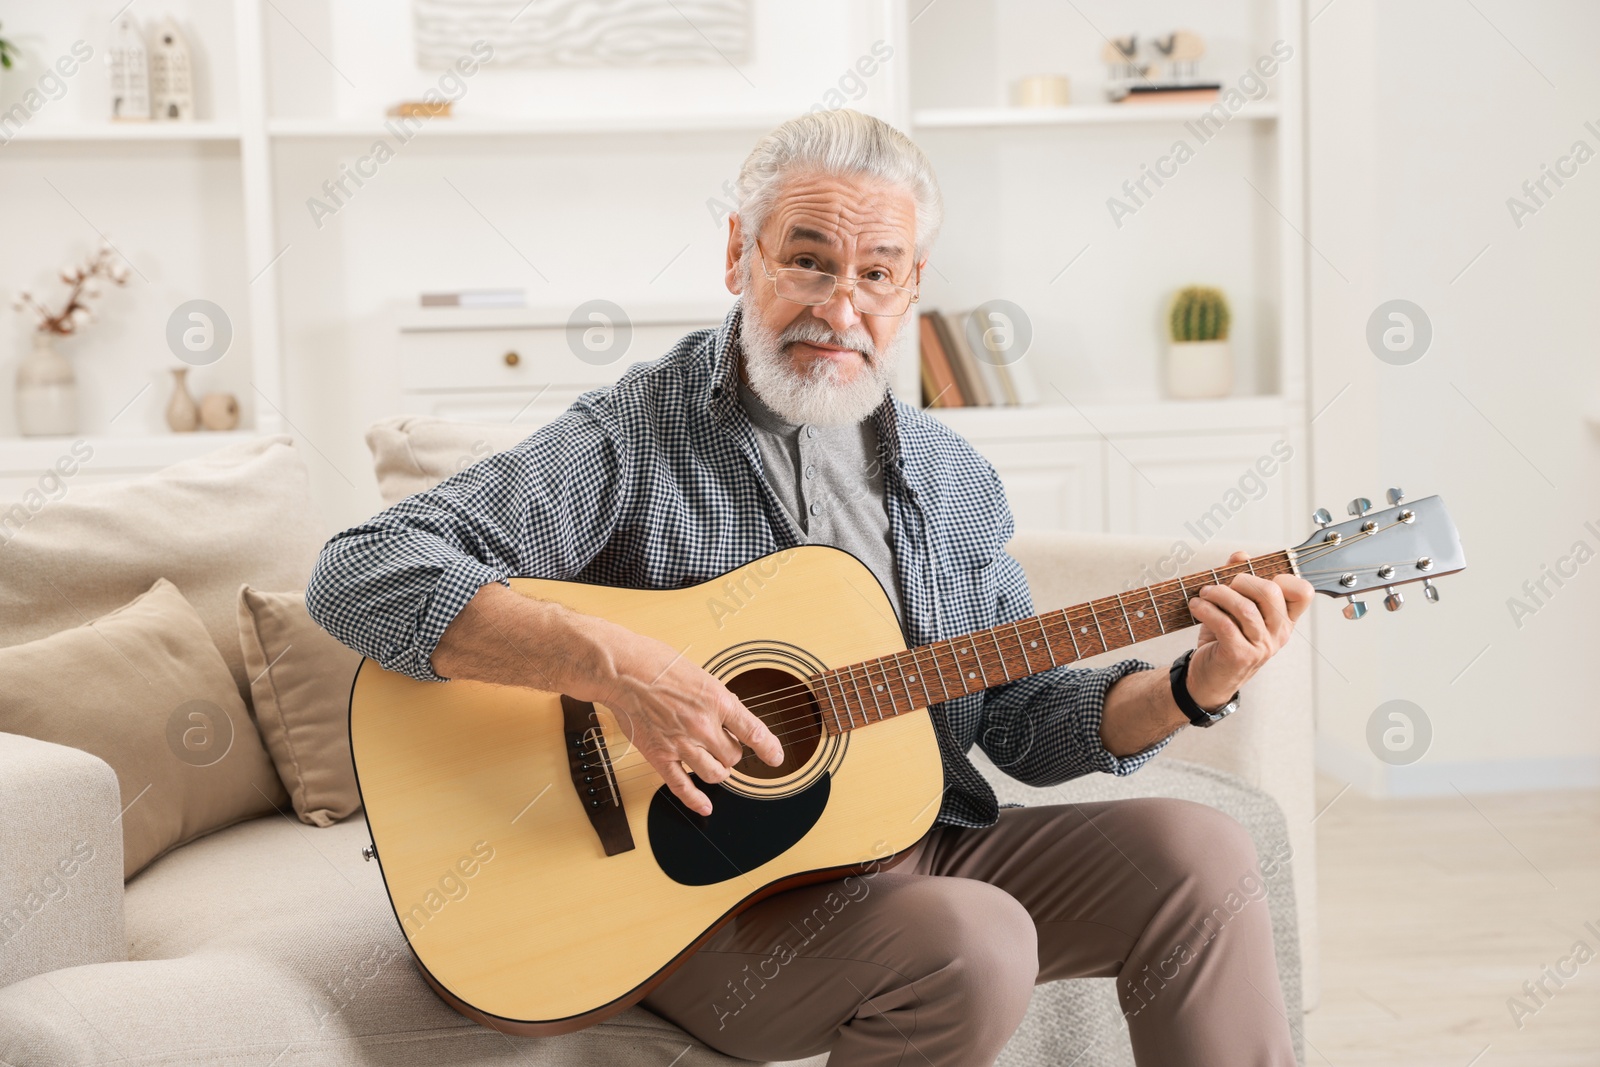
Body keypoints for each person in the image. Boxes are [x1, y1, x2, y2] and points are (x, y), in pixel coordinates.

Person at [307, 108, 1311, 1066]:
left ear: (913, 283)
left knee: (1200, 850)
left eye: (876, 273)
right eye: (807, 261)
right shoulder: (634, 437)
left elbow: (1019, 722)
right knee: (975, 934)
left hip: (912, 858)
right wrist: (617, 668)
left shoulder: (949, 475)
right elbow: (360, 569)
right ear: (739, 253)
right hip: (703, 902)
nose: (840, 307)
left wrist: (1191, 684)